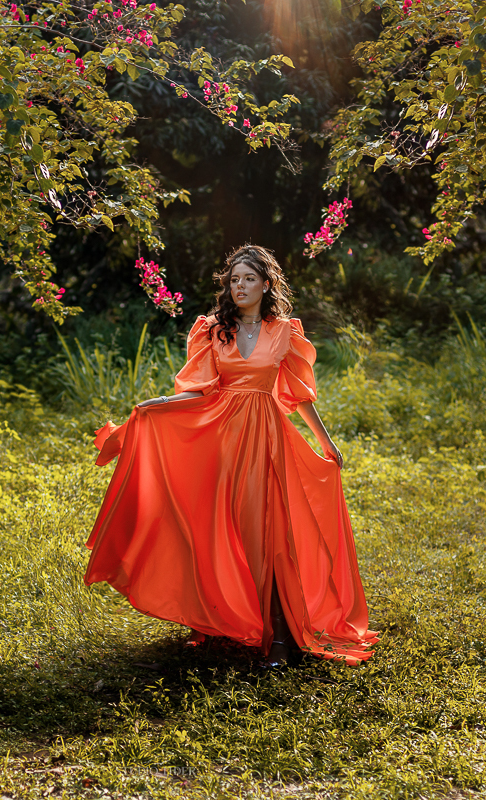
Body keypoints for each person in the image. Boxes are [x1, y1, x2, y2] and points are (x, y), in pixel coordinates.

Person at [84, 245, 378, 666]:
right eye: (234, 280)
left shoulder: (284, 332)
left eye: (248, 279)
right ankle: (217, 620)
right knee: (220, 529)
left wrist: (326, 442)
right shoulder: (213, 329)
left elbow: (299, 395)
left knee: (269, 535)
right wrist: (158, 403)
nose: (239, 287)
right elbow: (200, 389)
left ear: (266, 284)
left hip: (267, 438)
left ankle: (277, 635)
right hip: (222, 437)